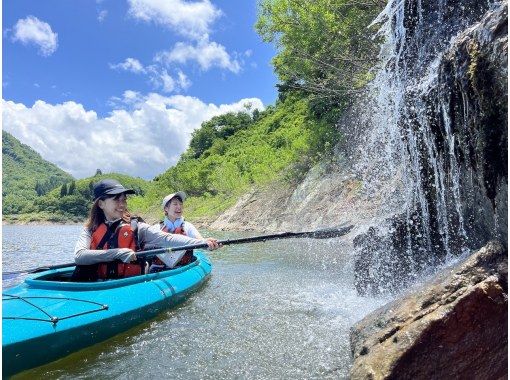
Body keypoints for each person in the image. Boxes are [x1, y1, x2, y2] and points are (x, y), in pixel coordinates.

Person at [72, 179, 220, 281]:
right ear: (101, 204)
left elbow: (166, 239)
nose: (122, 204)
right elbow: (80, 256)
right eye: (116, 199)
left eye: (124, 199)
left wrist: (201, 242)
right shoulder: (90, 229)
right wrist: (116, 253)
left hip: (131, 284)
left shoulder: (137, 228)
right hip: (97, 284)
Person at [149, 191, 204, 271]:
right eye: (175, 204)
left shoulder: (187, 226)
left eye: (181, 204)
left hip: (182, 270)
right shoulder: (156, 228)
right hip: (158, 271)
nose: (179, 207)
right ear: (166, 208)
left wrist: (209, 245)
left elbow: (201, 241)